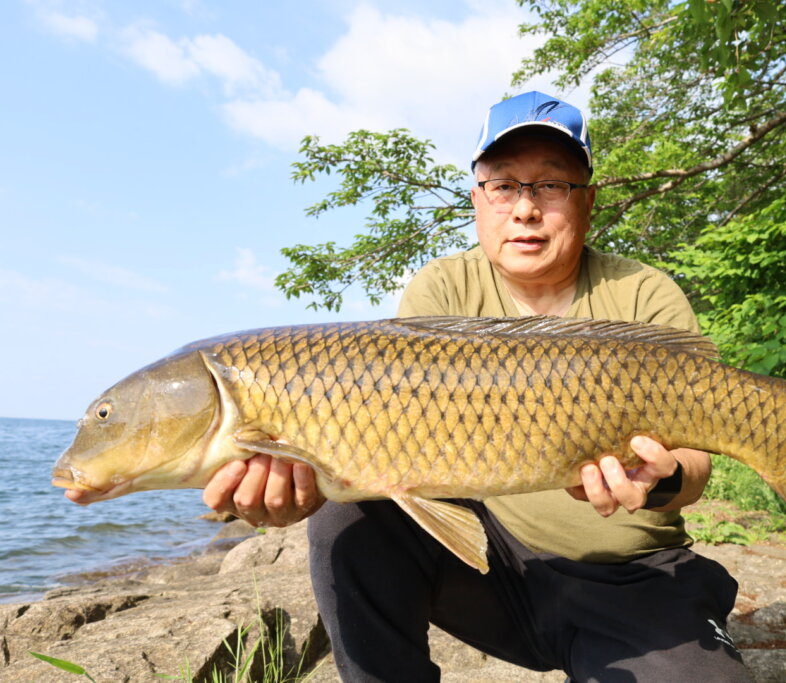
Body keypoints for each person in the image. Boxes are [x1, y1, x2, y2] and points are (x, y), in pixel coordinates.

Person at [203, 91, 751, 682]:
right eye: (504, 186)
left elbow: (697, 464)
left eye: (551, 186)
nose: (526, 209)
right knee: (350, 510)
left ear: (587, 201)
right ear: (477, 199)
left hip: (632, 578)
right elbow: (397, 455)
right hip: (496, 573)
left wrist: (662, 478)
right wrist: (305, 478)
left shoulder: (643, 292)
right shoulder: (442, 288)